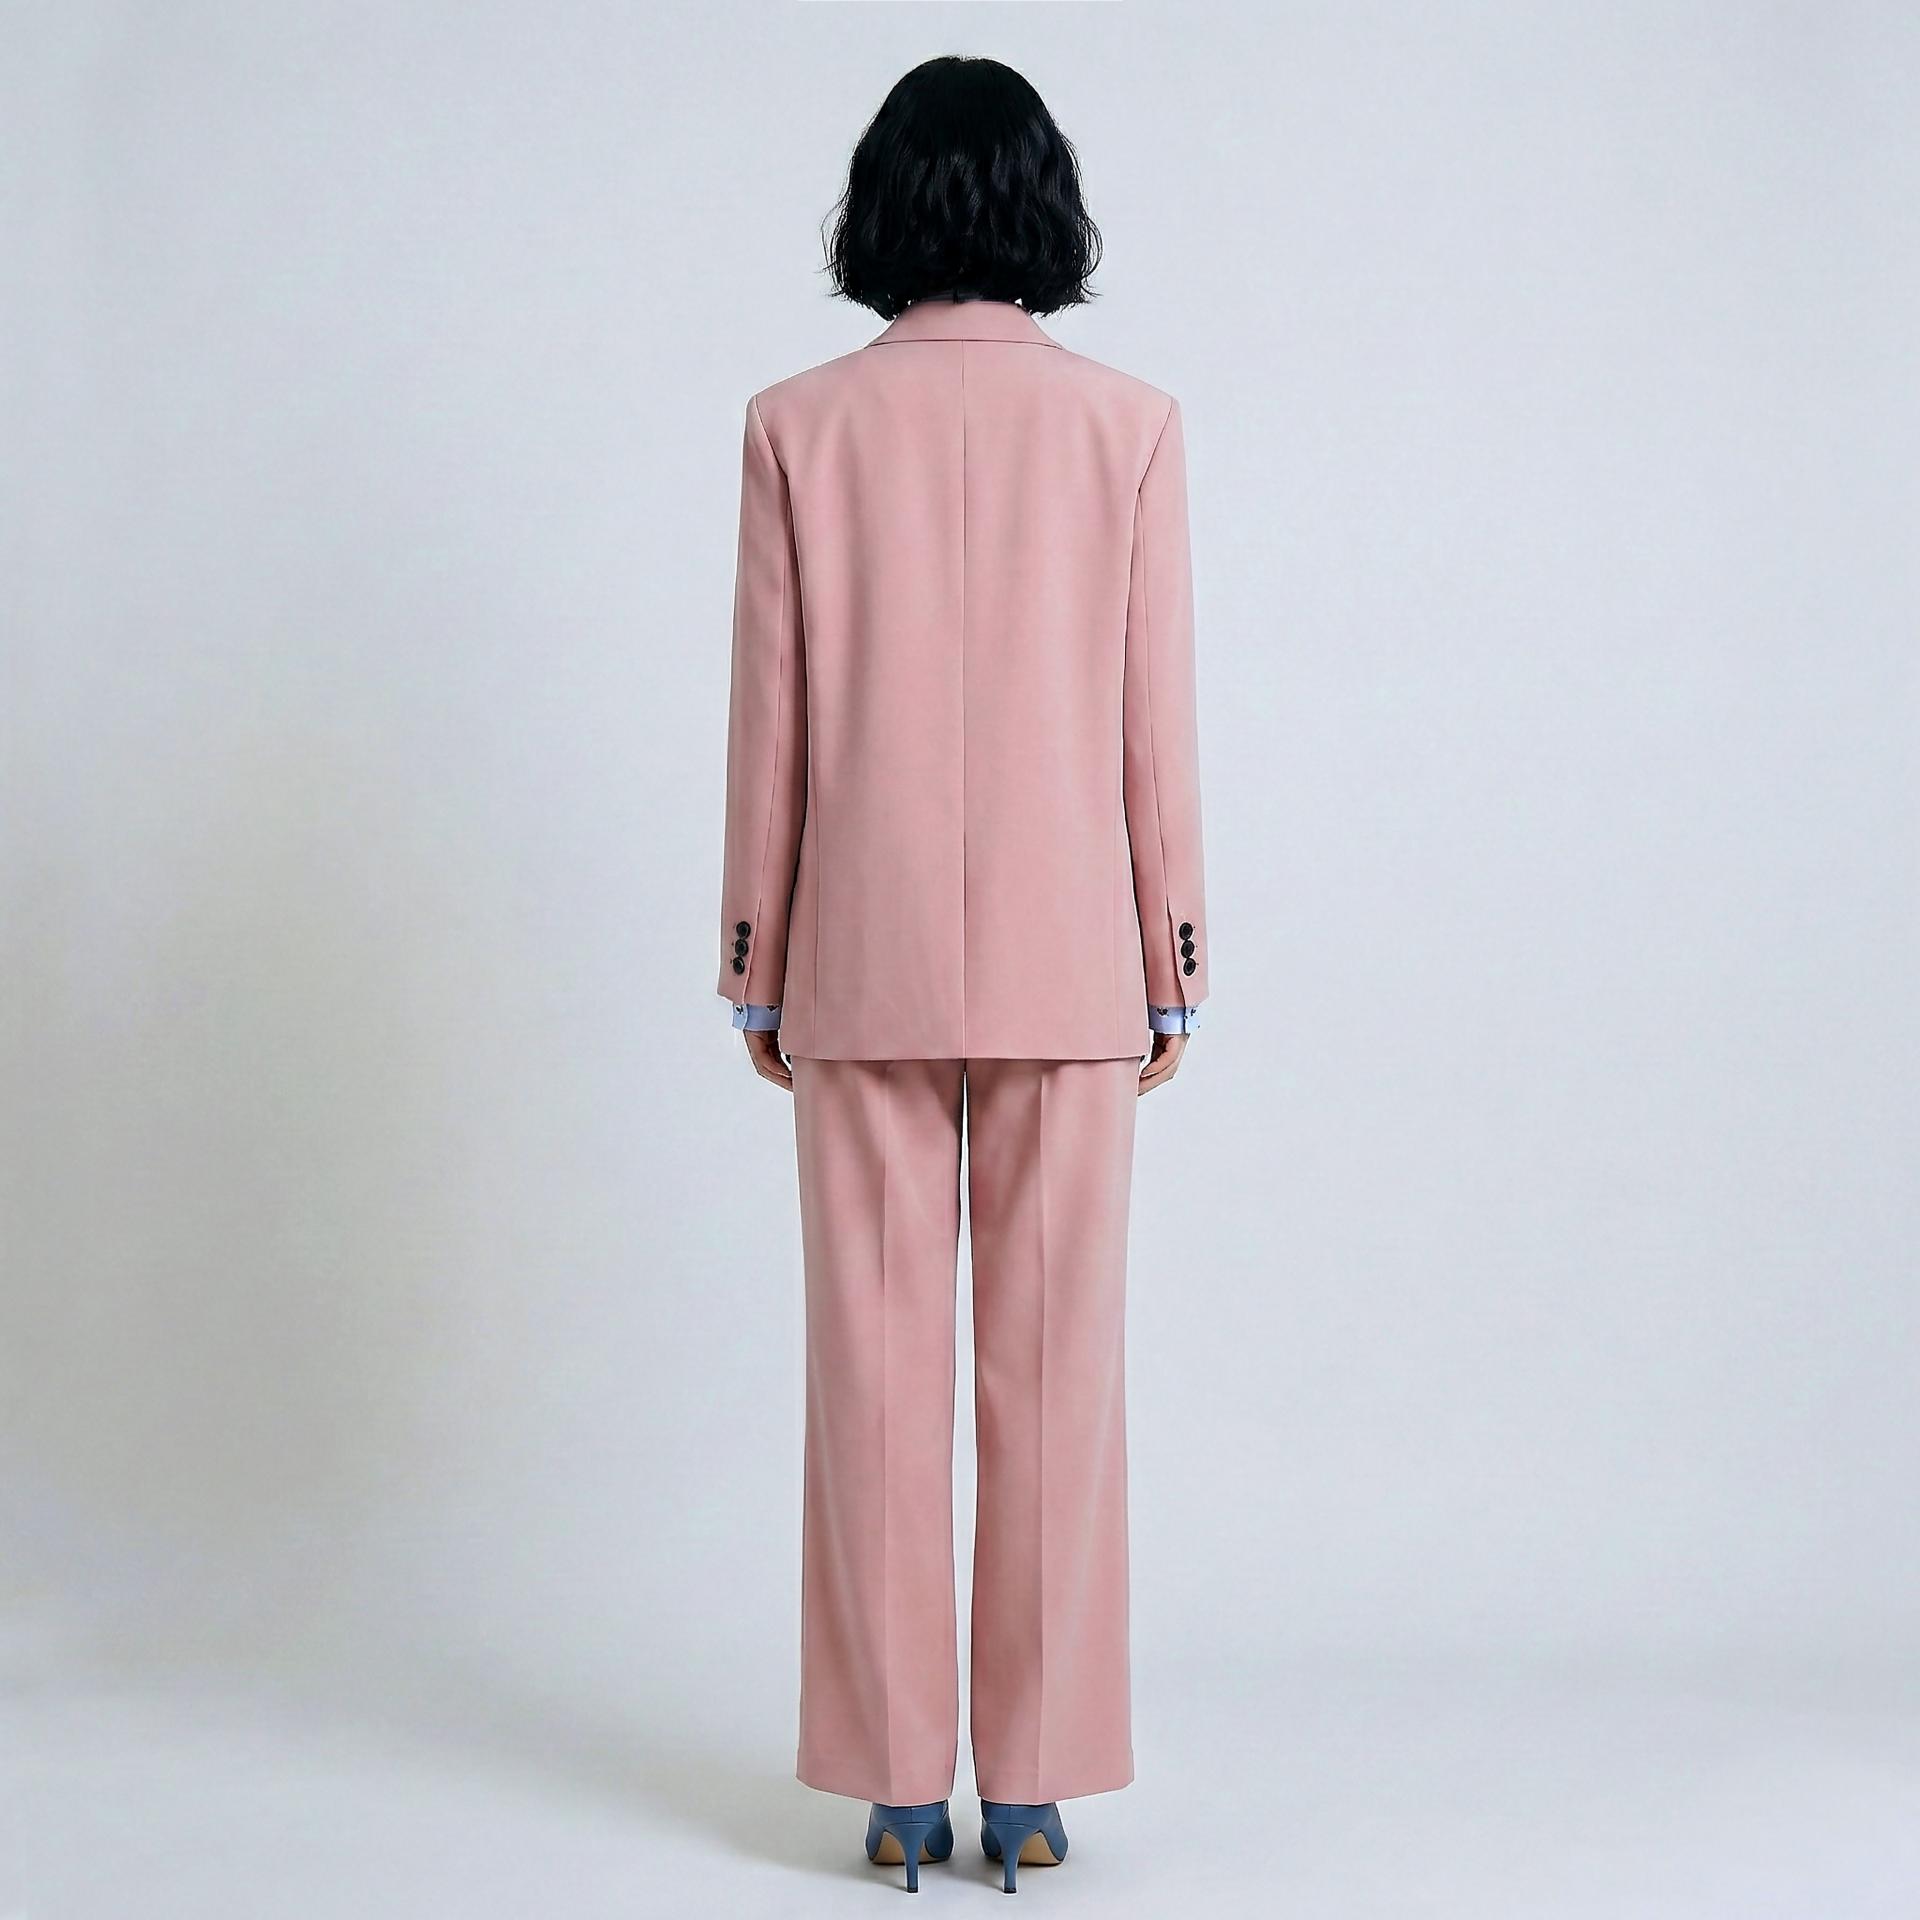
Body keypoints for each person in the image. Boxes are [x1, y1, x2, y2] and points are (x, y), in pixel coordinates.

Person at [716, 54, 1207, 1893]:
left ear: (881, 207)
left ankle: (895, 1787)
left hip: (860, 952)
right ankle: (1039, 1786)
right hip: (1076, 958)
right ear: (1043, 206)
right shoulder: (1126, 424)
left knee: (872, 1373)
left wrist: (756, 956)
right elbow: (1152, 720)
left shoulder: (798, 426)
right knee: (1057, 1378)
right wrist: (1173, 955)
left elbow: (774, 714)